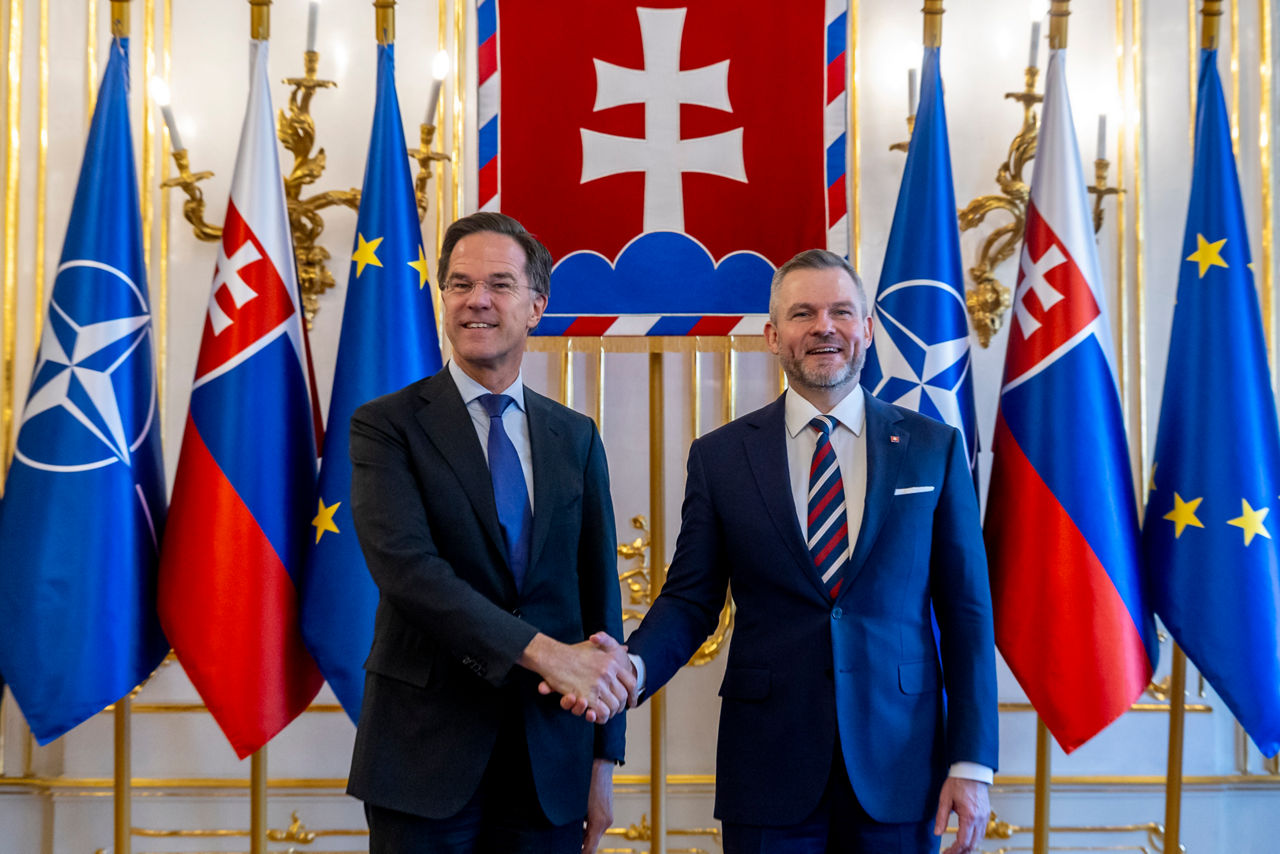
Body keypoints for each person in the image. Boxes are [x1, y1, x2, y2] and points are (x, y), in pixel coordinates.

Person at [560, 249, 997, 854]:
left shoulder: (933, 448)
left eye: (842, 311)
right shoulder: (721, 457)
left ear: (866, 329)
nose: (824, 326)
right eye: (803, 313)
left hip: (902, 768)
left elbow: (967, 613)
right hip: (768, 769)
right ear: (772, 335)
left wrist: (971, 764)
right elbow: (691, 600)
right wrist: (629, 670)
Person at [346, 212, 635, 854]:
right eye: (459, 284)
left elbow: (599, 601)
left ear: (537, 305)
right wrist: (545, 653)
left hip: (550, 764)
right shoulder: (386, 426)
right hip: (423, 758)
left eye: (499, 284)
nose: (476, 299)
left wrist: (602, 763)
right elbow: (408, 572)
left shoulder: (576, 436)